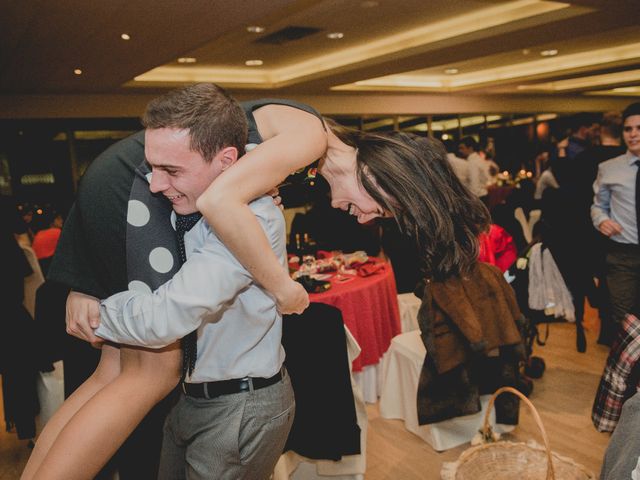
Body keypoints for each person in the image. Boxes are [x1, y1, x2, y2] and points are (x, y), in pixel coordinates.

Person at [31, 83, 489, 478]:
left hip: (119, 179)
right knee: (152, 371)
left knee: (112, 372)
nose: (369, 219)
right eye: (383, 208)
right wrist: (283, 288)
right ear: (387, 179)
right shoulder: (311, 138)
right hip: (136, 184)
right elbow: (219, 200)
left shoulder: (301, 156)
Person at [591, 101, 640, 332]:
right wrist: (602, 220)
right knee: (624, 322)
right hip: (623, 257)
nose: (633, 134)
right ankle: (629, 369)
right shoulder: (609, 168)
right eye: (628, 129)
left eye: (639, 128)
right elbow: (598, 206)